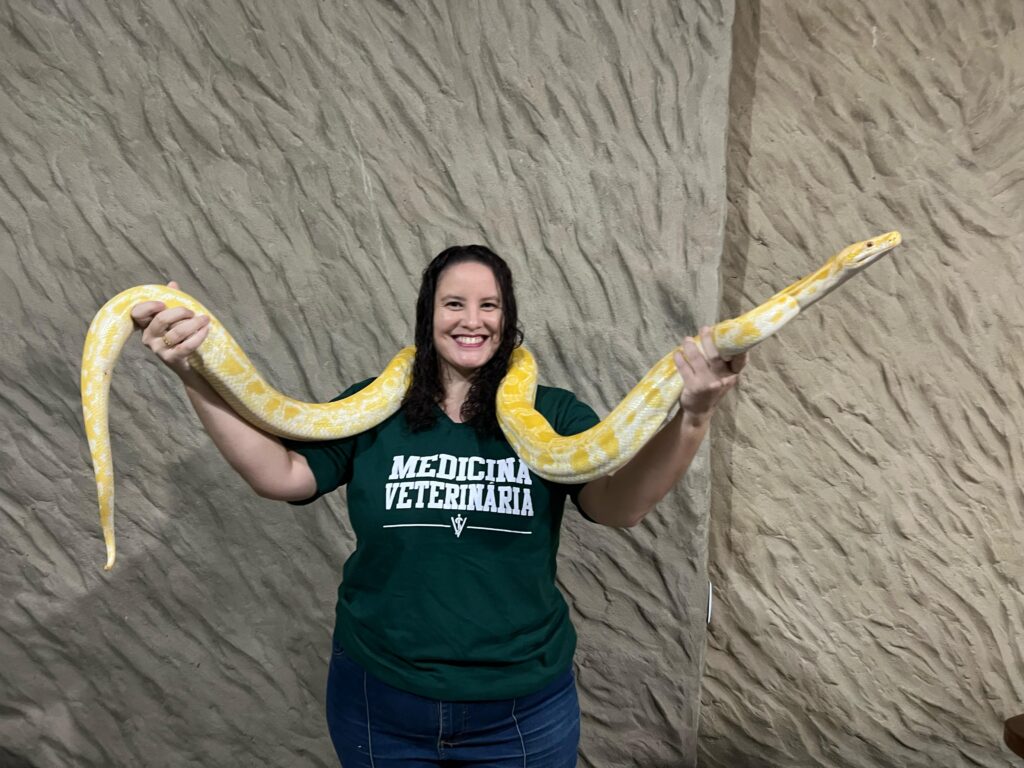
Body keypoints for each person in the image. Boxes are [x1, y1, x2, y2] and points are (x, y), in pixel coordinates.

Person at [131, 245, 746, 767]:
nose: (471, 320)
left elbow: (618, 507)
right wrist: (194, 373)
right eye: (454, 303)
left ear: (508, 318)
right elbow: (281, 474)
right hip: (380, 699)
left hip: (521, 709)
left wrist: (692, 417)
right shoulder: (373, 405)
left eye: (489, 305)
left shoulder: (551, 414)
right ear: (428, 314)